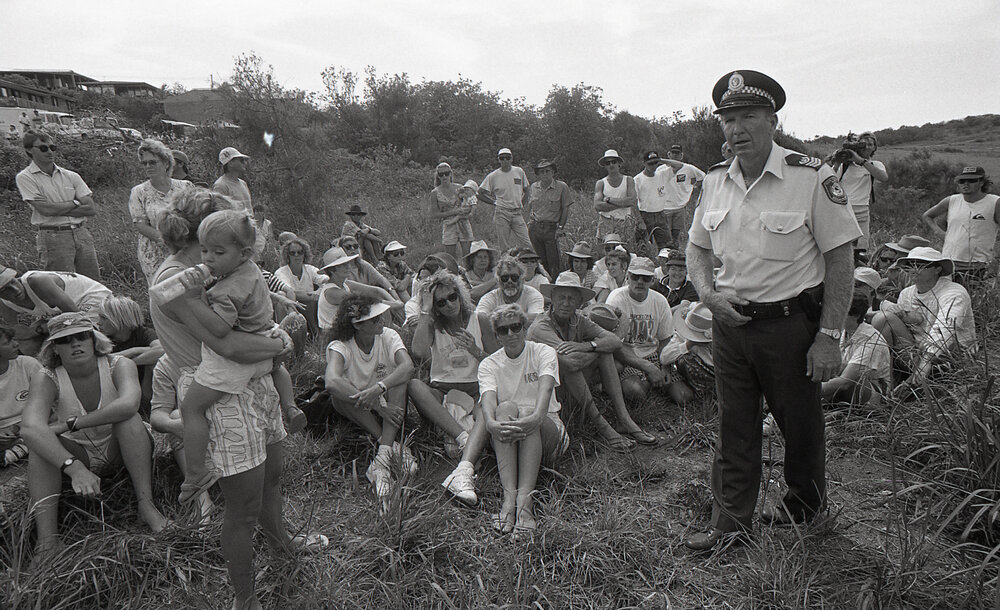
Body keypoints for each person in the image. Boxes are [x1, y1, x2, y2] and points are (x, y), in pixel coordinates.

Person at [683, 70, 861, 551]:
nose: (736, 128)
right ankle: (731, 525)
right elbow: (697, 249)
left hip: (790, 327)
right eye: (728, 119)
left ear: (772, 120)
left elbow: (841, 257)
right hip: (730, 326)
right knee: (733, 424)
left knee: (799, 424)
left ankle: (804, 508)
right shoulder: (716, 181)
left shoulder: (811, 177)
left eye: (748, 116)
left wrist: (829, 336)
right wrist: (706, 293)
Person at [151, 187, 323, 610]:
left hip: (254, 385)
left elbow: (247, 328)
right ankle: (244, 599)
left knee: (271, 479)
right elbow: (229, 347)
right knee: (242, 509)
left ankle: (282, 543)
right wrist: (278, 341)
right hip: (222, 395)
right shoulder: (177, 279)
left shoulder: (221, 271)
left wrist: (271, 340)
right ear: (204, 233)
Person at [170, 209, 304, 507]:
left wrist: (192, 300)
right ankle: (290, 405)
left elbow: (219, 329)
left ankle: (194, 473)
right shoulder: (249, 270)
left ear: (243, 253)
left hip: (233, 361)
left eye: (218, 252)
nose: (208, 258)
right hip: (263, 340)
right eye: (204, 250)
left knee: (191, 407)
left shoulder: (228, 288)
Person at [21, 313, 169, 556]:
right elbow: (30, 428)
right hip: (79, 453)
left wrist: (72, 423)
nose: (75, 344)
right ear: (55, 348)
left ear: (94, 339)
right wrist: (73, 466)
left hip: (121, 446)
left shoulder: (119, 364)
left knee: (128, 419)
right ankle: (48, 541)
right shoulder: (46, 377)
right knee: (40, 445)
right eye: (66, 340)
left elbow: (129, 405)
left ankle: (147, 505)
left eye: (82, 336)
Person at [528, 272, 649, 451]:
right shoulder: (541, 326)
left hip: (571, 388)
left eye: (571, 299)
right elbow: (571, 363)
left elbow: (614, 341)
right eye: (561, 297)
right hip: (547, 394)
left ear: (579, 303)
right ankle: (603, 427)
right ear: (552, 298)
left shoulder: (579, 320)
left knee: (604, 352)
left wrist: (588, 346)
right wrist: (597, 349)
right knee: (574, 362)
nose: (566, 303)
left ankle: (624, 419)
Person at [479, 304, 569, 536]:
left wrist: (536, 417)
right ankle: (509, 500)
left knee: (528, 413)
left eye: (515, 327)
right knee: (506, 407)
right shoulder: (489, 364)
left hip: (546, 426)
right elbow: (488, 399)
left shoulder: (542, 352)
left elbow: (546, 389)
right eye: (503, 330)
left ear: (524, 328)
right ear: (497, 335)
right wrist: (490, 422)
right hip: (509, 430)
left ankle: (525, 503)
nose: (510, 334)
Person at [408, 272, 498, 504]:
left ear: (460, 294)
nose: (449, 304)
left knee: (489, 412)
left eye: (452, 296)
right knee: (415, 386)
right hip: (442, 389)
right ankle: (462, 438)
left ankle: (466, 457)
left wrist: (476, 351)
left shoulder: (480, 320)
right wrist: (426, 312)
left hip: (475, 388)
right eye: (441, 302)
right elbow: (418, 352)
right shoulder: (433, 325)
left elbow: (500, 362)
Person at [324, 295, 415, 501]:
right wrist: (378, 406)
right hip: (359, 403)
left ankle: (382, 456)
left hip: (383, 396)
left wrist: (379, 388)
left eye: (381, 316)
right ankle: (389, 446)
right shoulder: (340, 346)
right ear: (358, 325)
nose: (382, 321)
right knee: (342, 396)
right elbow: (331, 382)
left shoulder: (388, 335)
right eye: (375, 319)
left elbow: (408, 367)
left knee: (399, 381)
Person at [871, 247, 976, 398]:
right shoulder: (907, 293)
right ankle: (886, 386)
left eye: (921, 265)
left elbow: (945, 328)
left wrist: (924, 364)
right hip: (916, 354)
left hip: (950, 360)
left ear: (937, 269)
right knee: (883, 319)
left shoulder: (954, 293)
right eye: (909, 265)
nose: (914, 270)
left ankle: (915, 386)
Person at [15, 132, 101, 279]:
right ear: (29, 150)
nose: (49, 151)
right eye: (43, 148)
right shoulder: (25, 177)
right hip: (53, 235)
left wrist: (55, 208)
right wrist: (74, 202)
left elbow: (90, 209)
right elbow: (45, 210)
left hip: (81, 233)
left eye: (52, 147)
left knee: (93, 282)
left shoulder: (71, 176)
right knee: (61, 283)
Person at [606, 257, 686, 411]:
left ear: (652, 280)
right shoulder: (616, 299)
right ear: (628, 277)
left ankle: (651, 382)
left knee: (683, 396)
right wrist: (648, 367)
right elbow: (615, 345)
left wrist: (665, 367)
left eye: (646, 278)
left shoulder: (660, 301)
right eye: (635, 277)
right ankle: (646, 382)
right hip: (628, 356)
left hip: (654, 354)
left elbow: (665, 339)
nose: (640, 282)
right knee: (635, 392)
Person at [0, 266, 112, 355]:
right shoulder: (5, 303)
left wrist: (40, 329)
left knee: (79, 335)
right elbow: (14, 332)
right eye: (5, 289)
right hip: (59, 313)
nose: (15, 290)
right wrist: (35, 331)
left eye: (13, 281)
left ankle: (105, 355)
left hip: (90, 299)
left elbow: (77, 318)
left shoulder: (37, 280)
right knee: (29, 346)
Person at [922, 166, 999, 287]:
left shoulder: (994, 202)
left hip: (979, 265)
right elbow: (927, 215)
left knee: (974, 302)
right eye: (962, 181)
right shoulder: (952, 200)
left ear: (982, 182)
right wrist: (939, 232)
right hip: (949, 263)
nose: (966, 184)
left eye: (971, 180)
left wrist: (996, 261)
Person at [129, 139, 193, 284]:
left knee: (189, 288)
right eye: (144, 163)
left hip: (185, 248)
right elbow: (140, 225)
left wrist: (185, 243)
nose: (148, 166)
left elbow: (194, 215)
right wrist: (169, 242)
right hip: (154, 252)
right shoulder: (139, 192)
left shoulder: (186, 187)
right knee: (162, 293)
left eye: (152, 162)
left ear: (166, 163)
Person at [96, 295, 164, 416]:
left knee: (154, 364)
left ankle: (149, 407)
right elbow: (100, 362)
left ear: (120, 318)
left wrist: (130, 358)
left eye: (104, 318)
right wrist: (131, 355)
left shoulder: (143, 333)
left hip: (145, 390)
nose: (98, 322)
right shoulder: (101, 339)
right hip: (118, 393)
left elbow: (162, 350)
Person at [822, 294, 890, 406]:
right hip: (847, 386)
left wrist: (808, 392)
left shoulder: (870, 339)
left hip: (874, 396)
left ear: (856, 315)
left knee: (852, 377)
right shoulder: (843, 332)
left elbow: (846, 382)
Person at [827, 132, 887, 254]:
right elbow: (830, 180)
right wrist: (838, 162)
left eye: (870, 144)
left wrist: (861, 161)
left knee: (860, 251)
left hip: (862, 211)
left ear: (875, 147)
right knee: (840, 248)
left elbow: (883, 177)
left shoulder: (875, 165)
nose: (866, 147)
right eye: (863, 144)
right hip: (843, 208)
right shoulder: (845, 166)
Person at [635, 150, 705, 251]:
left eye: (655, 163)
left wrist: (662, 160)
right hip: (645, 215)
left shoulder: (662, 174)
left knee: (666, 246)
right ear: (644, 163)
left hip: (660, 214)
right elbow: (634, 203)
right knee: (643, 246)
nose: (653, 166)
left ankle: (665, 265)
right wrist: (640, 221)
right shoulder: (638, 179)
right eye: (650, 164)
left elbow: (680, 166)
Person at [475, 256, 545, 343]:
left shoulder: (533, 295)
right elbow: (480, 317)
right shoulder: (490, 297)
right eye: (505, 278)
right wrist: (518, 323)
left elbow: (536, 319)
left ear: (522, 278)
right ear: (498, 280)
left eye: (514, 277)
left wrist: (500, 323)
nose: (509, 281)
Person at [0, 325, 41, 467]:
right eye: (7, 342)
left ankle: (13, 454)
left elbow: (50, 404)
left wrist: (18, 426)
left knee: (52, 428)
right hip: (4, 432)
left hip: (34, 421)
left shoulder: (27, 364)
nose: (16, 344)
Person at [659, 301, 716, 402]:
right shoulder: (683, 335)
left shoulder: (724, 336)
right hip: (702, 372)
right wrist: (688, 345)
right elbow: (664, 357)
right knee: (685, 360)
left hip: (724, 374)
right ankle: (704, 395)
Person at [477, 148, 532, 250]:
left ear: (511, 159)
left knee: (528, 244)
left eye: (507, 158)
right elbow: (479, 193)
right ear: (499, 160)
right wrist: (494, 202)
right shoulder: (493, 176)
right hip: (502, 212)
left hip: (517, 213)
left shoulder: (519, 171)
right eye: (502, 158)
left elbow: (526, 189)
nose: (505, 160)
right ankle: (505, 264)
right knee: (504, 247)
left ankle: (527, 262)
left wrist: (522, 203)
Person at [526, 159, 573, 277]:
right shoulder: (534, 187)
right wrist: (530, 223)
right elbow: (531, 207)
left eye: (547, 171)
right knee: (539, 261)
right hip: (535, 227)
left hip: (551, 228)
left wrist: (561, 227)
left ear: (553, 172)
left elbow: (565, 209)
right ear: (538, 174)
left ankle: (555, 284)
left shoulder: (561, 187)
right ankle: (543, 284)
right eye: (542, 172)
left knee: (554, 261)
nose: (545, 174)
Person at [274, 237, 326, 337]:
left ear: (304, 254)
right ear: (287, 256)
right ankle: (286, 334)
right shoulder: (281, 272)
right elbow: (290, 292)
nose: (296, 255)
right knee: (282, 295)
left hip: (312, 307)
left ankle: (316, 335)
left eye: (300, 252)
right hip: (293, 307)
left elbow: (325, 280)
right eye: (292, 253)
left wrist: (319, 291)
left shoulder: (310, 269)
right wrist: (312, 295)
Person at [429, 163, 475, 259]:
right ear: (438, 176)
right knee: (450, 258)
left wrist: (468, 211)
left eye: (446, 173)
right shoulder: (435, 193)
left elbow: (470, 201)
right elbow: (434, 214)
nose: (444, 176)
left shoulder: (460, 188)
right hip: (448, 225)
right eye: (441, 174)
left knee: (468, 256)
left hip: (463, 222)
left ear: (451, 174)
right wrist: (454, 212)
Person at [337, 235, 401, 301]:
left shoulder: (362, 264)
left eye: (355, 246)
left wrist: (392, 291)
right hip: (353, 300)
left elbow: (381, 279)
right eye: (348, 247)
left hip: (368, 297)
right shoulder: (340, 268)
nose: (353, 249)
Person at [594, 150, 638, 237]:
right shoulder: (601, 183)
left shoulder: (628, 180)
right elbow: (597, 206)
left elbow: (632, 201)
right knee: (605, 249)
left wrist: (609, 200)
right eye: (607, 163)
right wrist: (623, 203)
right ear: (605, 166)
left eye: (613, 162)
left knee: (625, 249)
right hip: (605, 221)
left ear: (619, 164)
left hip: (624, 221)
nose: (611, 165)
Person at [213, 147, 253, 216]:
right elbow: (220, 214)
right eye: (241, 160)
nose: (245, 163)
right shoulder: (220, 185)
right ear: (230, 163)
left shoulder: (243, 183)